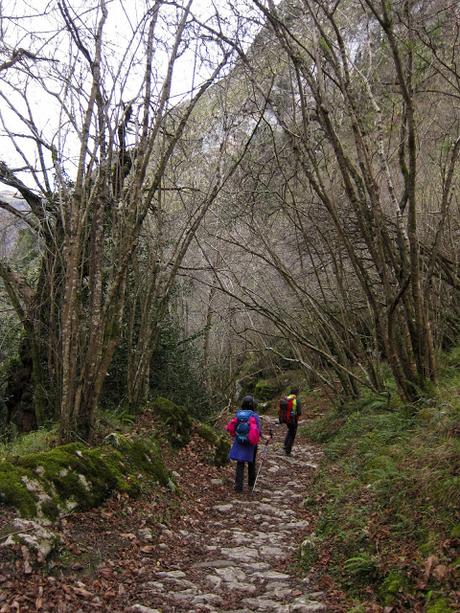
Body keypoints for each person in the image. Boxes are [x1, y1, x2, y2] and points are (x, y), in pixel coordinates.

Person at [225, 395, 261, 492]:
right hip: (250, 442)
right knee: (251, 462)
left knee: (240, 463)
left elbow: (232, 427)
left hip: (239, 441)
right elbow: (258, 430)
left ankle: (238, 486)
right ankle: (251, 483)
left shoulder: (238, 414)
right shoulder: (254, 415)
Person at [283, 386, 301, 456]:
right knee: (292, 434)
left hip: (286, 419)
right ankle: (288, 451)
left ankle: (285, 445)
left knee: (290, 430)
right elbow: (299, 412)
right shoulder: (296, 400)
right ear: (296, 393)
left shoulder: (286, 399)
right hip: (293, 419)